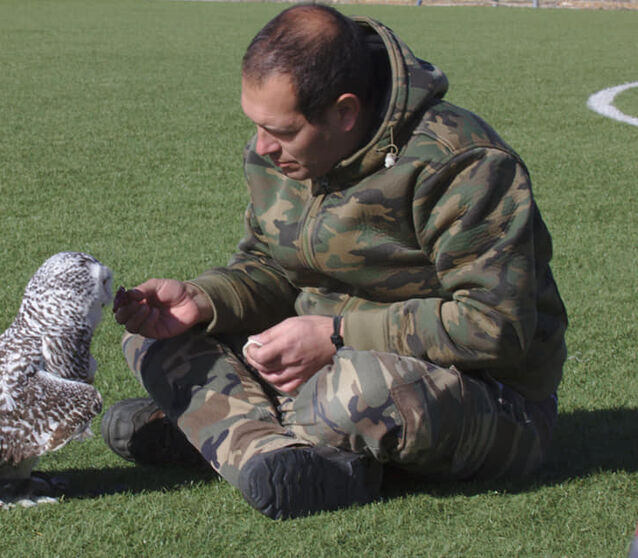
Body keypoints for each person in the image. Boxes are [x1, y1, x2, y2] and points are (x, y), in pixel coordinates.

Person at [102, 3, 567, 520]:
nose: (261, 147)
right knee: (154, 339)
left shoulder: (461, 164)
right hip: (320, 360)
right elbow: (272, 268)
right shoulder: (277, 157)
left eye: (280, 131)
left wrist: (336, 336)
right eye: (255, 125)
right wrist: (204, 298)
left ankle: (220, 430)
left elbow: (494, 326)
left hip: (487, 398)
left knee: (349, 395)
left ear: (345, 112)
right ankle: (263, 451)